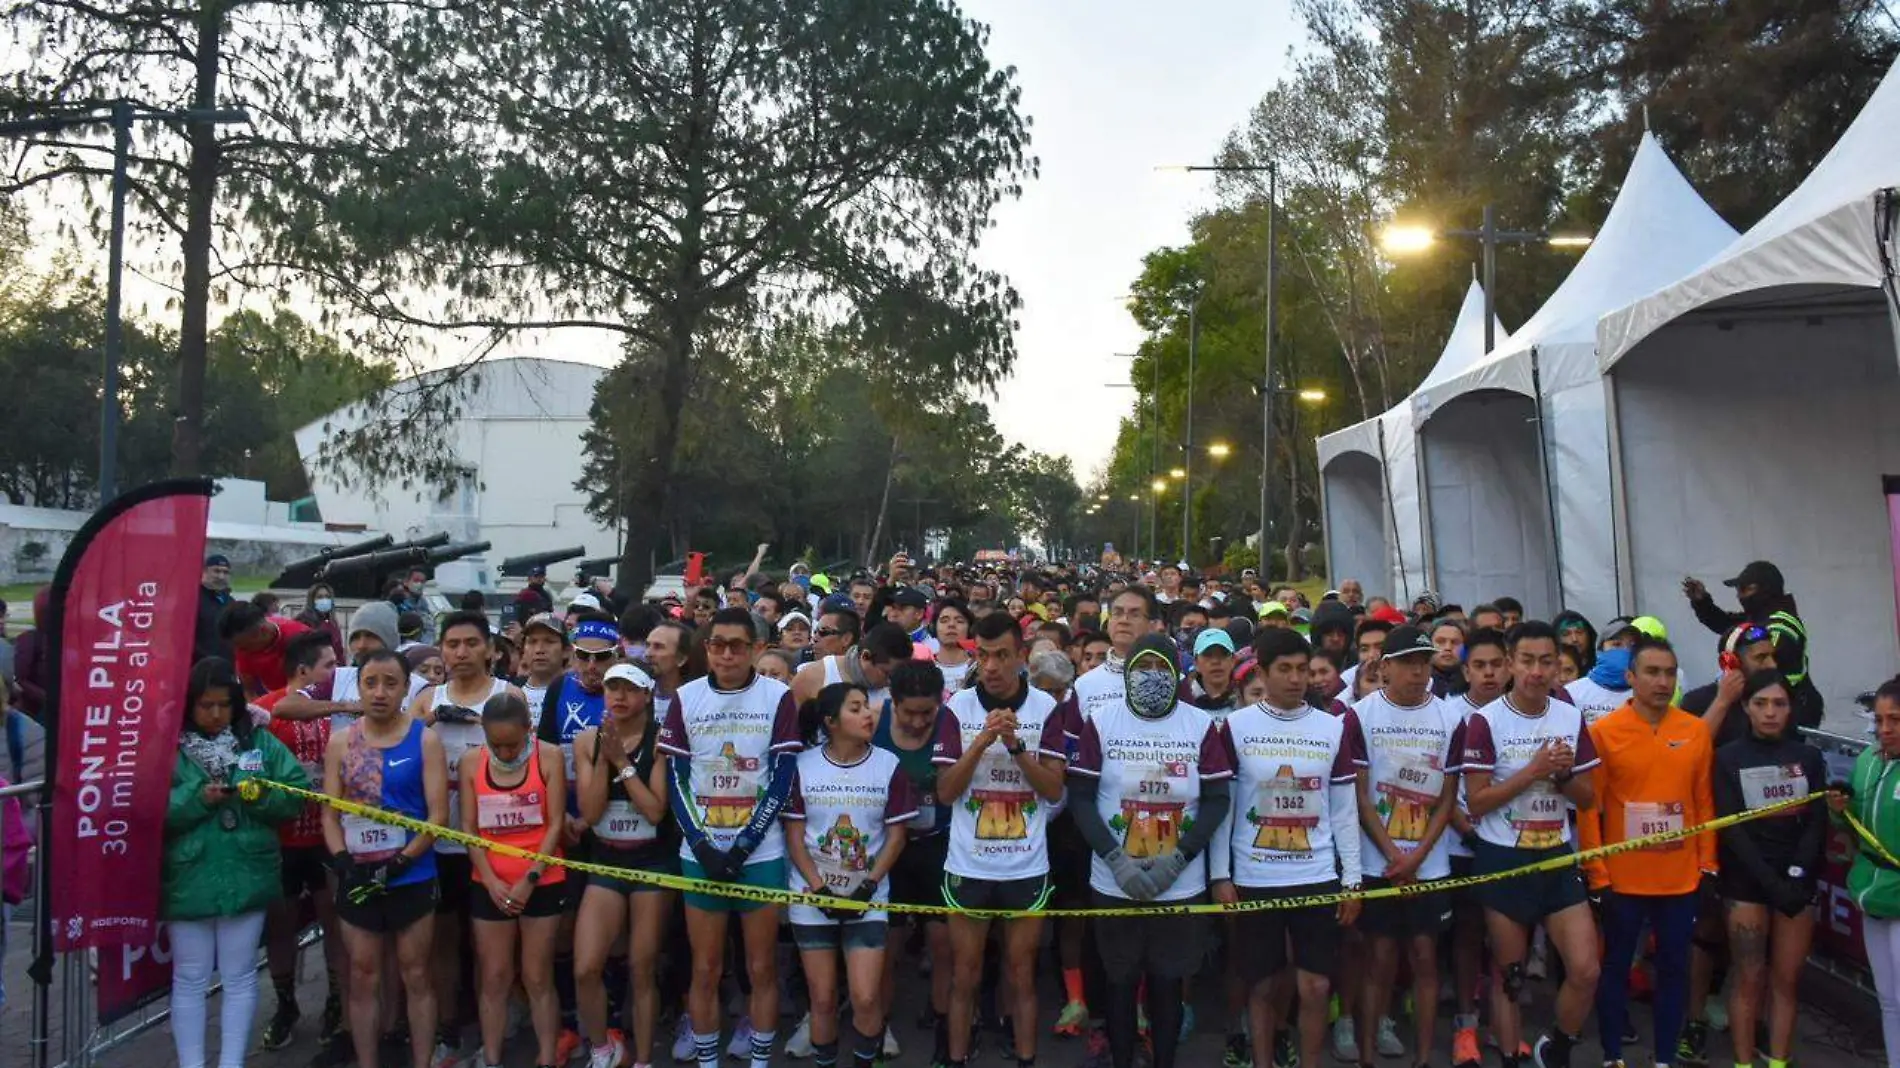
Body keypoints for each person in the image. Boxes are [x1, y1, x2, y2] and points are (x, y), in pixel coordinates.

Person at [1068, 633, 1231, 1068]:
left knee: (1166, 983)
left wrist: (1178, 860)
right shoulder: (1102, 721)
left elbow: (1217, 801)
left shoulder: (1199, 725)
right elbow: (1080, 797)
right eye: (1143, 667)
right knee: (1119, 981)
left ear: (1177, 672)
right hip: (1114, 881)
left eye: (1162, 667)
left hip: (1179, 883)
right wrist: (1115, 859)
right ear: (1127, 671)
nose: (1153, 676)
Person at [1211, 627, 1362, 1068]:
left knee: (1315, 986)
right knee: (1262, 984)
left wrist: (1352, 881)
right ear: (1261, 672)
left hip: (1316, 875)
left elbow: (1344, 810)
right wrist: (1220, 875)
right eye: (1285, 670)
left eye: (1302, 669)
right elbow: (1224, 807)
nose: (1296, 679)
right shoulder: (1237, 727)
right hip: (1256, 877)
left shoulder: (1332, 727)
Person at [660, 607, 804, 1068]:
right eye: (717, 645)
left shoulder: (778, 696)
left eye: (737, 646)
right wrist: (702, 845)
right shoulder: (686, 697)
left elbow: (782, 777)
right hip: (700, 852)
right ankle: (708, 1062)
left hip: (760, 854)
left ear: (756, 649)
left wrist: (744, 844)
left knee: (761, 967)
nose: (726, 654)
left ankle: (759, 1061)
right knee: (705, 967)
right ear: (706, 648)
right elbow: (676, 780)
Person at [932, 609, 1073, 1068]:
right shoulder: (957, 707)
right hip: (968, 864)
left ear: (1021, 656)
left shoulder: (1046, 708)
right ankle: (956, 1057)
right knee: (965, 975)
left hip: (1025, 865)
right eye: (984, 655)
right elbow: (945, 791)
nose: (991, 666)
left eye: (1002, 656)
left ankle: (1026, 1058)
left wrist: (1015, 746)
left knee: (1021, 974)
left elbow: (1053, 790)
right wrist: (980, 743)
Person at [1460, 621, 1602, 1068]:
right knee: (1511, 976)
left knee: (1585, 969)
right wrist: (1534, 770)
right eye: (1527, 661)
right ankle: (1509, 1056)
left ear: (1558, 666)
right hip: (1503, 857)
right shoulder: (1486, 721)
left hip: (1556, 854)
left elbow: (1588, 798)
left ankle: (1555, 1047)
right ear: (1510, 664)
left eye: (1546, 662)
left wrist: (1562, 775)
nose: (1537, 672)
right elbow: (1477, 801)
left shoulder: (1569, 716)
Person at [164, 657, 309, 1068]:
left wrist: (259, 796)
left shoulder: (258, 740)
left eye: (224, 704)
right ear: (189, 704)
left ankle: (231, 1063)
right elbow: (148, 809)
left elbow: (295, 792)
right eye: (205, 705)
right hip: (188, 876)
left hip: (247, 871)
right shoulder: (167, 746)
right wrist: (196, 800)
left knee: (240, 974)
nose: (215, 714)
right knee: (189, 977)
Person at [1579, 637, 1716, 1068]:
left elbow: (1704, 803)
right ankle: (1612, 1055)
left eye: (1669, 673)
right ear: (1631, 678)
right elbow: (1590, 809)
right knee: (1616, 966)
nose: (1662, 682)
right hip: (1623, 879)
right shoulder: (1604, 733)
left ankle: (1665, 1057)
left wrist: (1708, 864)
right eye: (1652, 672)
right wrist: (1597, 872)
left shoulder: (1695, 730)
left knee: (1674, 969)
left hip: (1680, 879)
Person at [322, 648, 450, 1068]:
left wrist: (403, 861)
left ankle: (421, 1061)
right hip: (358, 875)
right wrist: (342, 860)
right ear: (358, 687)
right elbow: (329, 813)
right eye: (371, 683)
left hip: (411, 874)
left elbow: (438, 816)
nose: (380, 692)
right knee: (363, 974)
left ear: (405, 688)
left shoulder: (424, 739)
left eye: (390, 683)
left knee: (416, 973)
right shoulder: (341, 742)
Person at [784, 682, 918, 1068]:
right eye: (855, 708)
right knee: (823, 998)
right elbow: (795, 837)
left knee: (866, 997)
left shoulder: (888, 765)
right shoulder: (802, 766)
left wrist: (869, 885)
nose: (868, 715)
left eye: (867, 706)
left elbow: (897, 836)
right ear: (831, 721)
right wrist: (819, 889)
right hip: (812, 899)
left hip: (868, 899)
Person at [1352, 623, 1465, 1067]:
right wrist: (1394, 855)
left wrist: (1417, 856)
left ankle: (1422, 1058)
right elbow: (1361, 796)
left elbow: (1448, 798)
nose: (1419, 672)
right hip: (1378, 862)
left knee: (1425, 958)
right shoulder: (1361, 716)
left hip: (1429, 864)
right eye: (1408, 664)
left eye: (1424, 663)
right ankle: (1366, 1056)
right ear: (1385, 667)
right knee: (1378, 959)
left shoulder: (1450, 717)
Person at [412, 611, 521, 1065]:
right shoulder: (427, 698)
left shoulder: (508, 695)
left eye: (471, 643)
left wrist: (478, 724)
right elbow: (405, 750)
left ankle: (492, 1026)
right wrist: (429, 721)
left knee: (487, 946)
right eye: (452, 644)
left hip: (494, 842)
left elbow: (524, 759)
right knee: (442, 942)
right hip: (439, 842)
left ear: (490, 650)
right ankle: (449, 1028)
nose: (461, 653)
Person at [1713, 671, 1824, 1068]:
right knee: (1749, 977)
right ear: (1746, 707)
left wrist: (1796, 874)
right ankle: (1743, 1062)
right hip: (1746, 881)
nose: (1770, 712)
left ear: (1790, 709)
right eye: (1761, 704)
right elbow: (1731, 829)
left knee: (1786, 980)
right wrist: (1769, 882)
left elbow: (1816, 821)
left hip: (1795, 884)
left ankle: (1778, 1061)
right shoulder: (1727, 757)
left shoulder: (1808, 757)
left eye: (1779, 704)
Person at [574, 663, 677, 1068]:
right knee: (586, 967)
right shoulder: (587, 740)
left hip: (653, 862)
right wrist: (605, 758)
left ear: (647, 695)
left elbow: (654, 810)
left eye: (630, 689)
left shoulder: (662, 739)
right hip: (607, 861)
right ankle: (603, 1050)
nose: (619, 696)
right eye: (612, 687)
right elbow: (590, 812)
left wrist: (622, 761)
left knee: (641, 967)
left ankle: (644, 1060)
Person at [463, 691, 567, 1068]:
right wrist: (491, 880)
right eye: (497, 745)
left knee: (537, 975)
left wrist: (531, 876)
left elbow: (555, 823)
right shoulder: (472, 761)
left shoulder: (549, 756)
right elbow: (469, 828)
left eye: (513, 744)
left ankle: (547, 1056)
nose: (505, 753)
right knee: (495, 975)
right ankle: (491, 1057)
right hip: (490, 881)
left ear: (529, 730)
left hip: (542, 878)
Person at [260, 631, 349, 1058]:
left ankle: (335, 999)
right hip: (282, 840)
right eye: (329, 666)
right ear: (303, 670)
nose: (337, 672)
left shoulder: (340, 711)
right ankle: (285, 1004)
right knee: (282, 926)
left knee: (334, 922)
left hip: (328, 837)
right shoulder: (267, 709)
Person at [875, 660, 954, 1063]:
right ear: (893, 702)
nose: (920, 721)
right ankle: (878, 1027)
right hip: (888, 847)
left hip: (937, 844)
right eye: (910, 713)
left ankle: (943, 1027)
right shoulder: (873, 721)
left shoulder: (951, 723)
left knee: (943, 945)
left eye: (928, 712)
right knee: (887, 946)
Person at [1442, 627, 1510, 1068]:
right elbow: (1439, 785)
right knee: (1468, 934)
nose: (1488, 674)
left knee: (1506, 938)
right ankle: (1465, 1025)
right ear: (1465, 671)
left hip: (1511, 845)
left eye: (1496, 665)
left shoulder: (1522, 711)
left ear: (1509, 667)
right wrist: (1467, 830)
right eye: (1479, 666)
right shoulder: (1449, 715)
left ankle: (1505, 1024)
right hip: (1461, 843)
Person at [1835, 676, 1900, 1066]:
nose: (1885, 729)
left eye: (1895, 720)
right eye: (1879, 720)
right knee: (1889, 1001)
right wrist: (1839, 810)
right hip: (1872, 895)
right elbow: (1856, 826)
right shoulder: (1867, 761)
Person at [1684, 561, 1821, 726]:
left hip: (1792, 710)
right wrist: (1702, 602)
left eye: (1744, 589)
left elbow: (1766, 674)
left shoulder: (1781, 625)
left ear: (1765, 590)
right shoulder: (1761, 617)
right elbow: (1726, 624)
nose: (1739, 596)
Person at [792, 621, 912, 712]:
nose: (890, 681)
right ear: (865, 656)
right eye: (887, 673)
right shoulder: (815, 675)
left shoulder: (897, 691)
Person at [221, 600, 312, 697]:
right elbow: (248, 689)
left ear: (262, 632)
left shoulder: (302, 638)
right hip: (269, 696)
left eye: (244, 647)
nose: (239, 651)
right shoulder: (242, 644)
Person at [196, 553, 235, 664]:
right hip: (200, 665)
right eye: (216, 571)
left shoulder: (230, 602)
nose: (221, 577)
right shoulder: (193, 600)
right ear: (204, 572)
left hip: (226, 664)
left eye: (225, 572)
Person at [296, 582, 347, 660]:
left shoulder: (332, 623)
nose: (324, 600)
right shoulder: (302, 621)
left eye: (327, 597)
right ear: (312, 600)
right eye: (320, 597)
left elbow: (339, 651)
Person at [933, 600, 975, 691]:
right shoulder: (924, 667)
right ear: (934, 627)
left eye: (959, 621)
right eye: (944, 621)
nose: (951, 625)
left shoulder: (977, 668)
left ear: (969, 628)